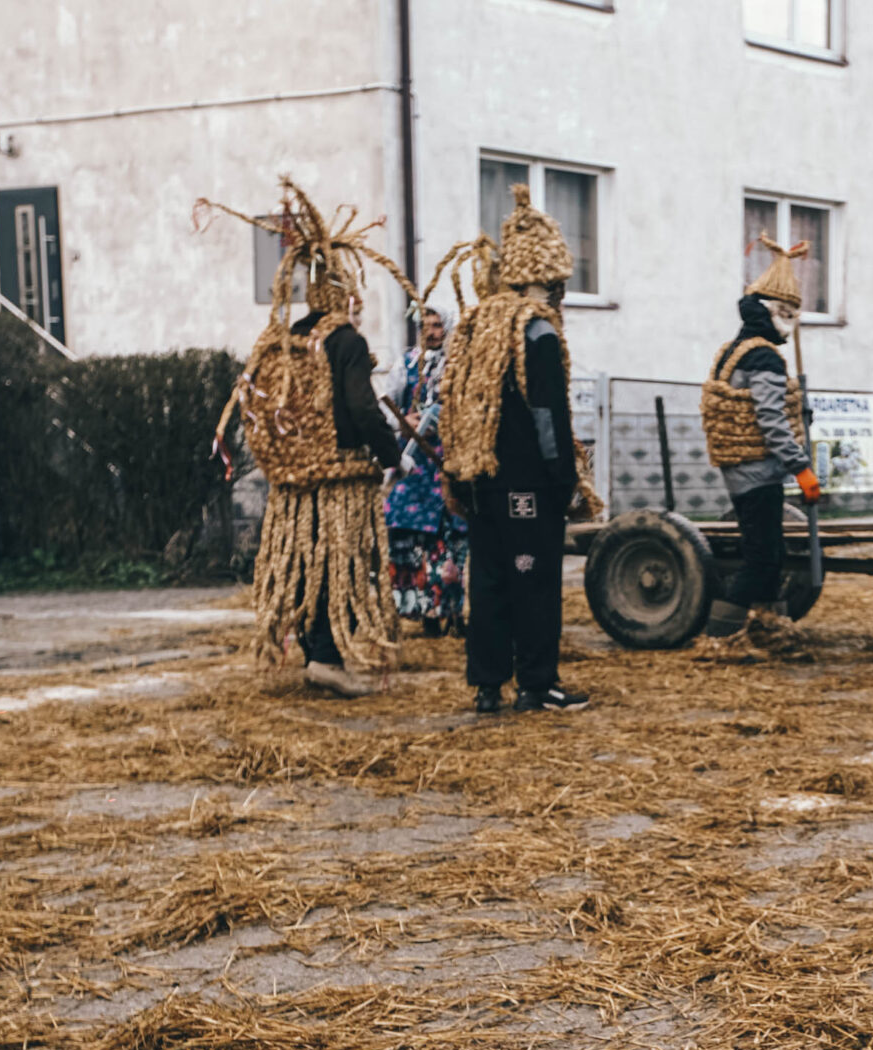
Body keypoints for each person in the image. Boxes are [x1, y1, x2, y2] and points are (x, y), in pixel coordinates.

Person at [210, 180, 407, 697]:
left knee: (305, 561)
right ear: (344, 292)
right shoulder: (345, 341)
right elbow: (362, 407)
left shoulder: (288, 337)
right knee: (338, 563)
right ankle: (325, 657)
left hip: (294, 479)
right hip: (339, 478)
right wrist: (392, 455)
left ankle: (314, 651)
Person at [434, 186, 590, 713]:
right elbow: (548, 415)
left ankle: (487, 685)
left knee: (490, 580)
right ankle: (536, 684)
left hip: (479, 483)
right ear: (547, 283)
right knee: (533, 578)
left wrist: (456, 474)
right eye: (560, 287)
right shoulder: (537, 332)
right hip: (527, 486)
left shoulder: (475, 328)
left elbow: (451, 401)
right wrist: (563, 478)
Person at [696, 237, 822, 663]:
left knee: (771, 554)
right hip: (756, 470)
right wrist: (801, 468)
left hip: (742, 469)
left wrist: (798, 405)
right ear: (772, 312)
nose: (791, 323)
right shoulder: (764, 357)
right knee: (761, 559)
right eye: (787, 314)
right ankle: (719, 637)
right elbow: (770, 420)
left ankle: (769, 628)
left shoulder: (734, 349)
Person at [386, 306, 467, 636]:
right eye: (426, 326)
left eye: (437, 325)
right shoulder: (405, 365)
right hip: (414, 468)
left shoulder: (458, 366)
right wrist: (403, 422)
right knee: (412, 540)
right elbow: (386, 407)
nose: (432, 332)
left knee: (452, 541)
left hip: (448, 465)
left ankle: (452, 613)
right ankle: (423, 612)